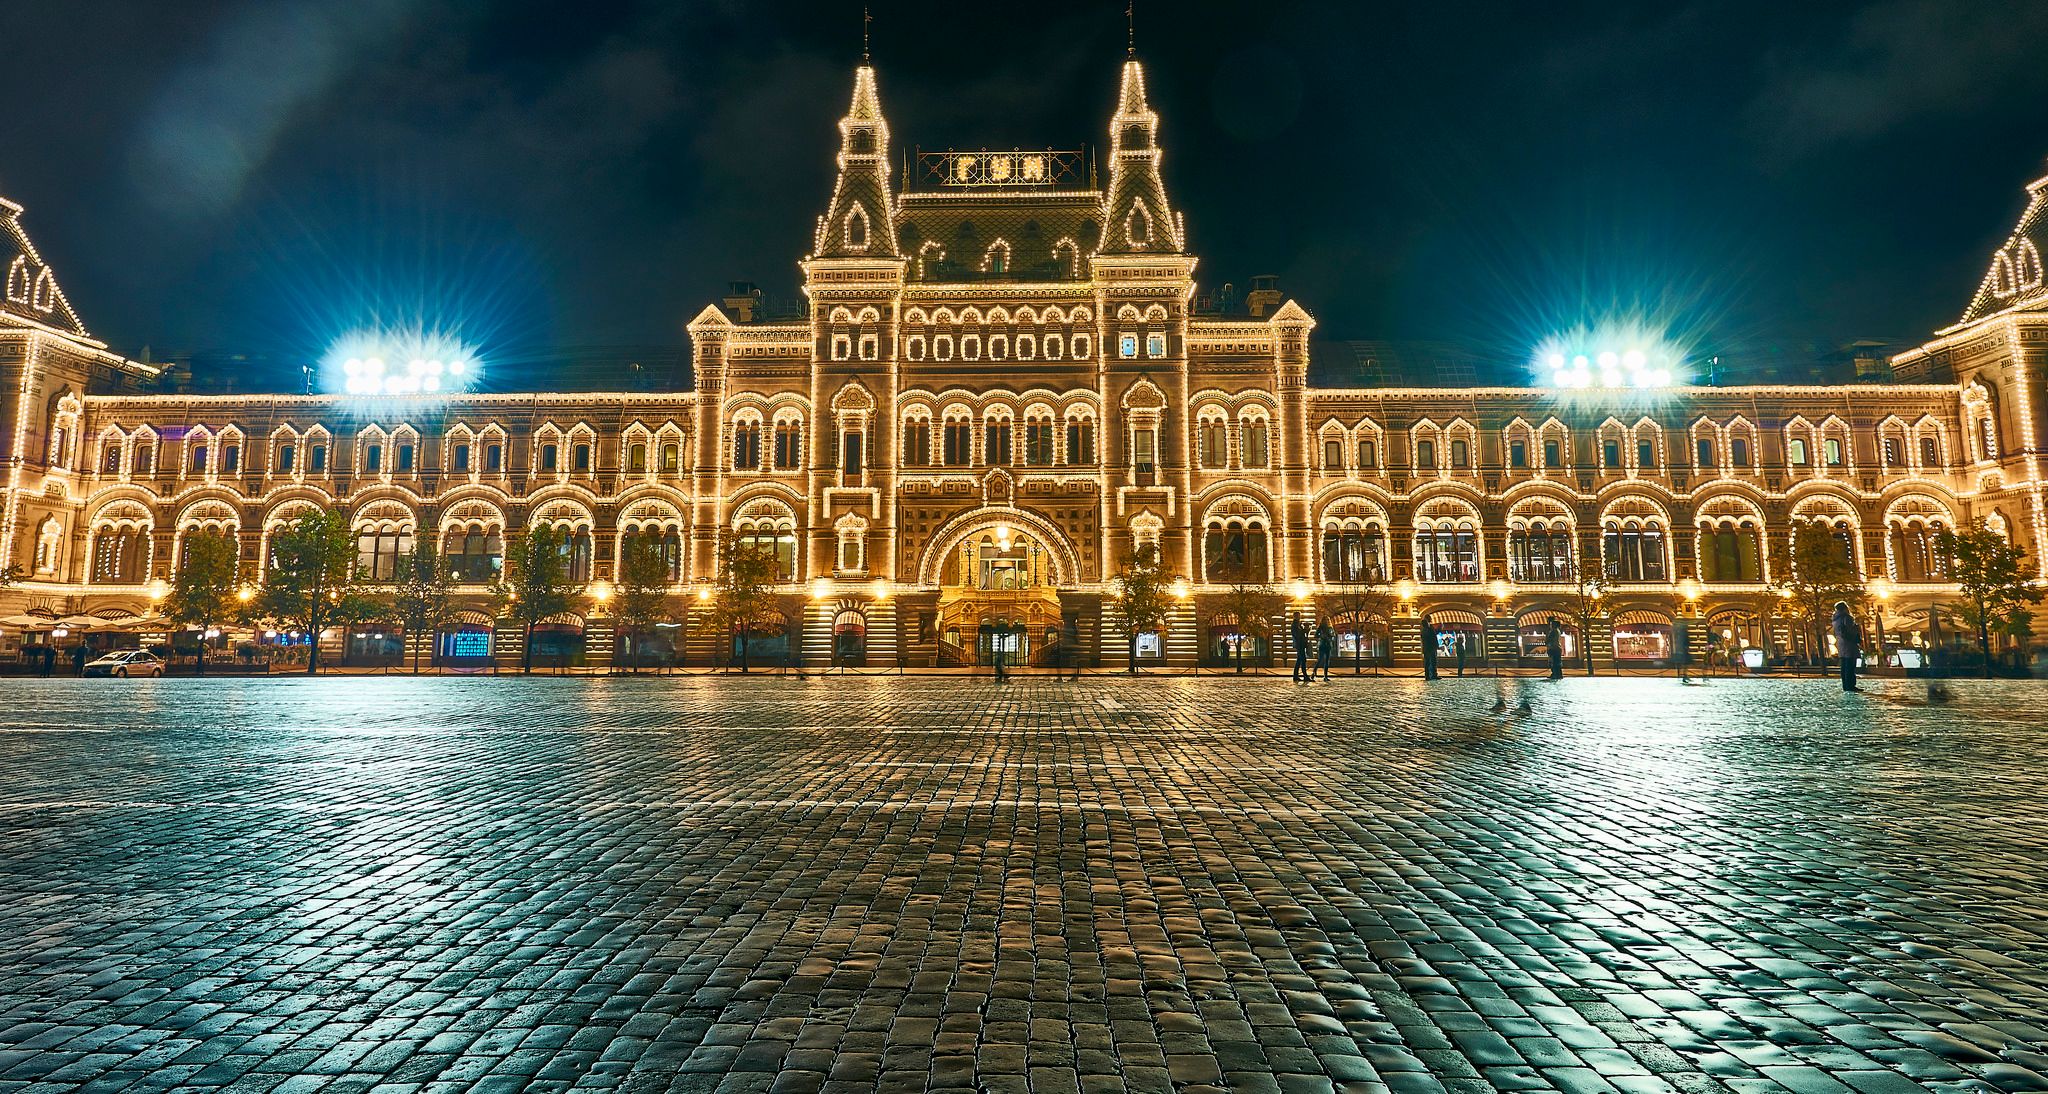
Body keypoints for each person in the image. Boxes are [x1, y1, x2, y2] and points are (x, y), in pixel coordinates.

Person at [1833, 601, 1862, 692]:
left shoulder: (1835, 619)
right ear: (1845, 608)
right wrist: (1856, 628)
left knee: (1844, 665)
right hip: (1849, 643)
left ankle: (1845, 685)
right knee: (1850, 664)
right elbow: (1850, 631)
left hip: (1840, 642)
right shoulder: (1847, 617)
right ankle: (1851, 685)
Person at [1290, 615, 1310, 682]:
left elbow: (1301, 634)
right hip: (1299, 645)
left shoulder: (1298, 624)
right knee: (1303, 660)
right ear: (1294, 617)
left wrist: (1306, 630)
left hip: (1301, 644)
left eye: (1299, 616)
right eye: (1297, 616)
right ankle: (1305, 676)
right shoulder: (1295, 625)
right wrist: (1305, 630)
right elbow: (1297, 635)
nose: (1299, 617)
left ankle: (1295, 676)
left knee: (1299, 660)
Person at [1062, 614, 1082, 681]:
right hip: (1071, 645)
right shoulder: (1072, 626)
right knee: (1073, 661)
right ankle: (1074, 676)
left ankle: (1074, 676)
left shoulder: (1069, 626)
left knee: (1072, 661)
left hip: (1071, 646)